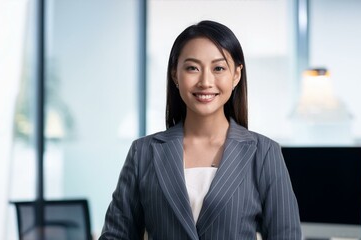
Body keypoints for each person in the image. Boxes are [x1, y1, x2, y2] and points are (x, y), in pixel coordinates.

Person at [99, 20, 301, 240]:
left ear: (236, 75)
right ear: (176, 74)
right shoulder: (143, 152)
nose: (205, 81)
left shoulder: (264, 153)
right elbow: (116, 235)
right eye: (192, 68)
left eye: (219, 68)